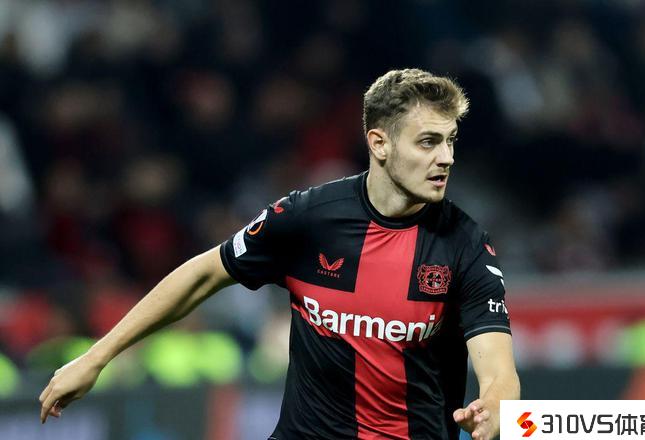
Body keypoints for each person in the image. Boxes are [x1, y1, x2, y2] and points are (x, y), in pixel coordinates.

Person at [39, 68, 520, 440]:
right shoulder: (308, 217)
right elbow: (203, 274)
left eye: (450, 141)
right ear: (379, 143)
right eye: (429, 142)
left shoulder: (465, 244)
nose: (446, 157)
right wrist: (96, 357)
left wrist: (497, 407)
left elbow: (498, 369)